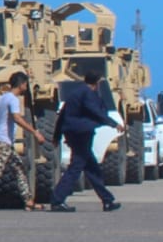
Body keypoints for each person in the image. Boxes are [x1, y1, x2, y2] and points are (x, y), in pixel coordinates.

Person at [49, 63, 124, 213]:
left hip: (72, 133)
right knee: (76, 166)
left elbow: (63, 114)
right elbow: (95, 111)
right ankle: (57, 199)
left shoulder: (75, 93)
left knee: (91, 168)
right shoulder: (88, 94)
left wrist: (57, 135)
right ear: (96, 82)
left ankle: (107, 200)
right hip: (81, 133)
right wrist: (113, 124)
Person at [0, 72, 44, 209]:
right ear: (21, 84)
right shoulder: (13, 100)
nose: (26, 87)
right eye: (25, 84)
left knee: (19, 168)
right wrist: (34, 132)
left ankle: (28, 200)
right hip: (3, 142)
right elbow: (17, 118)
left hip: (1, 141)